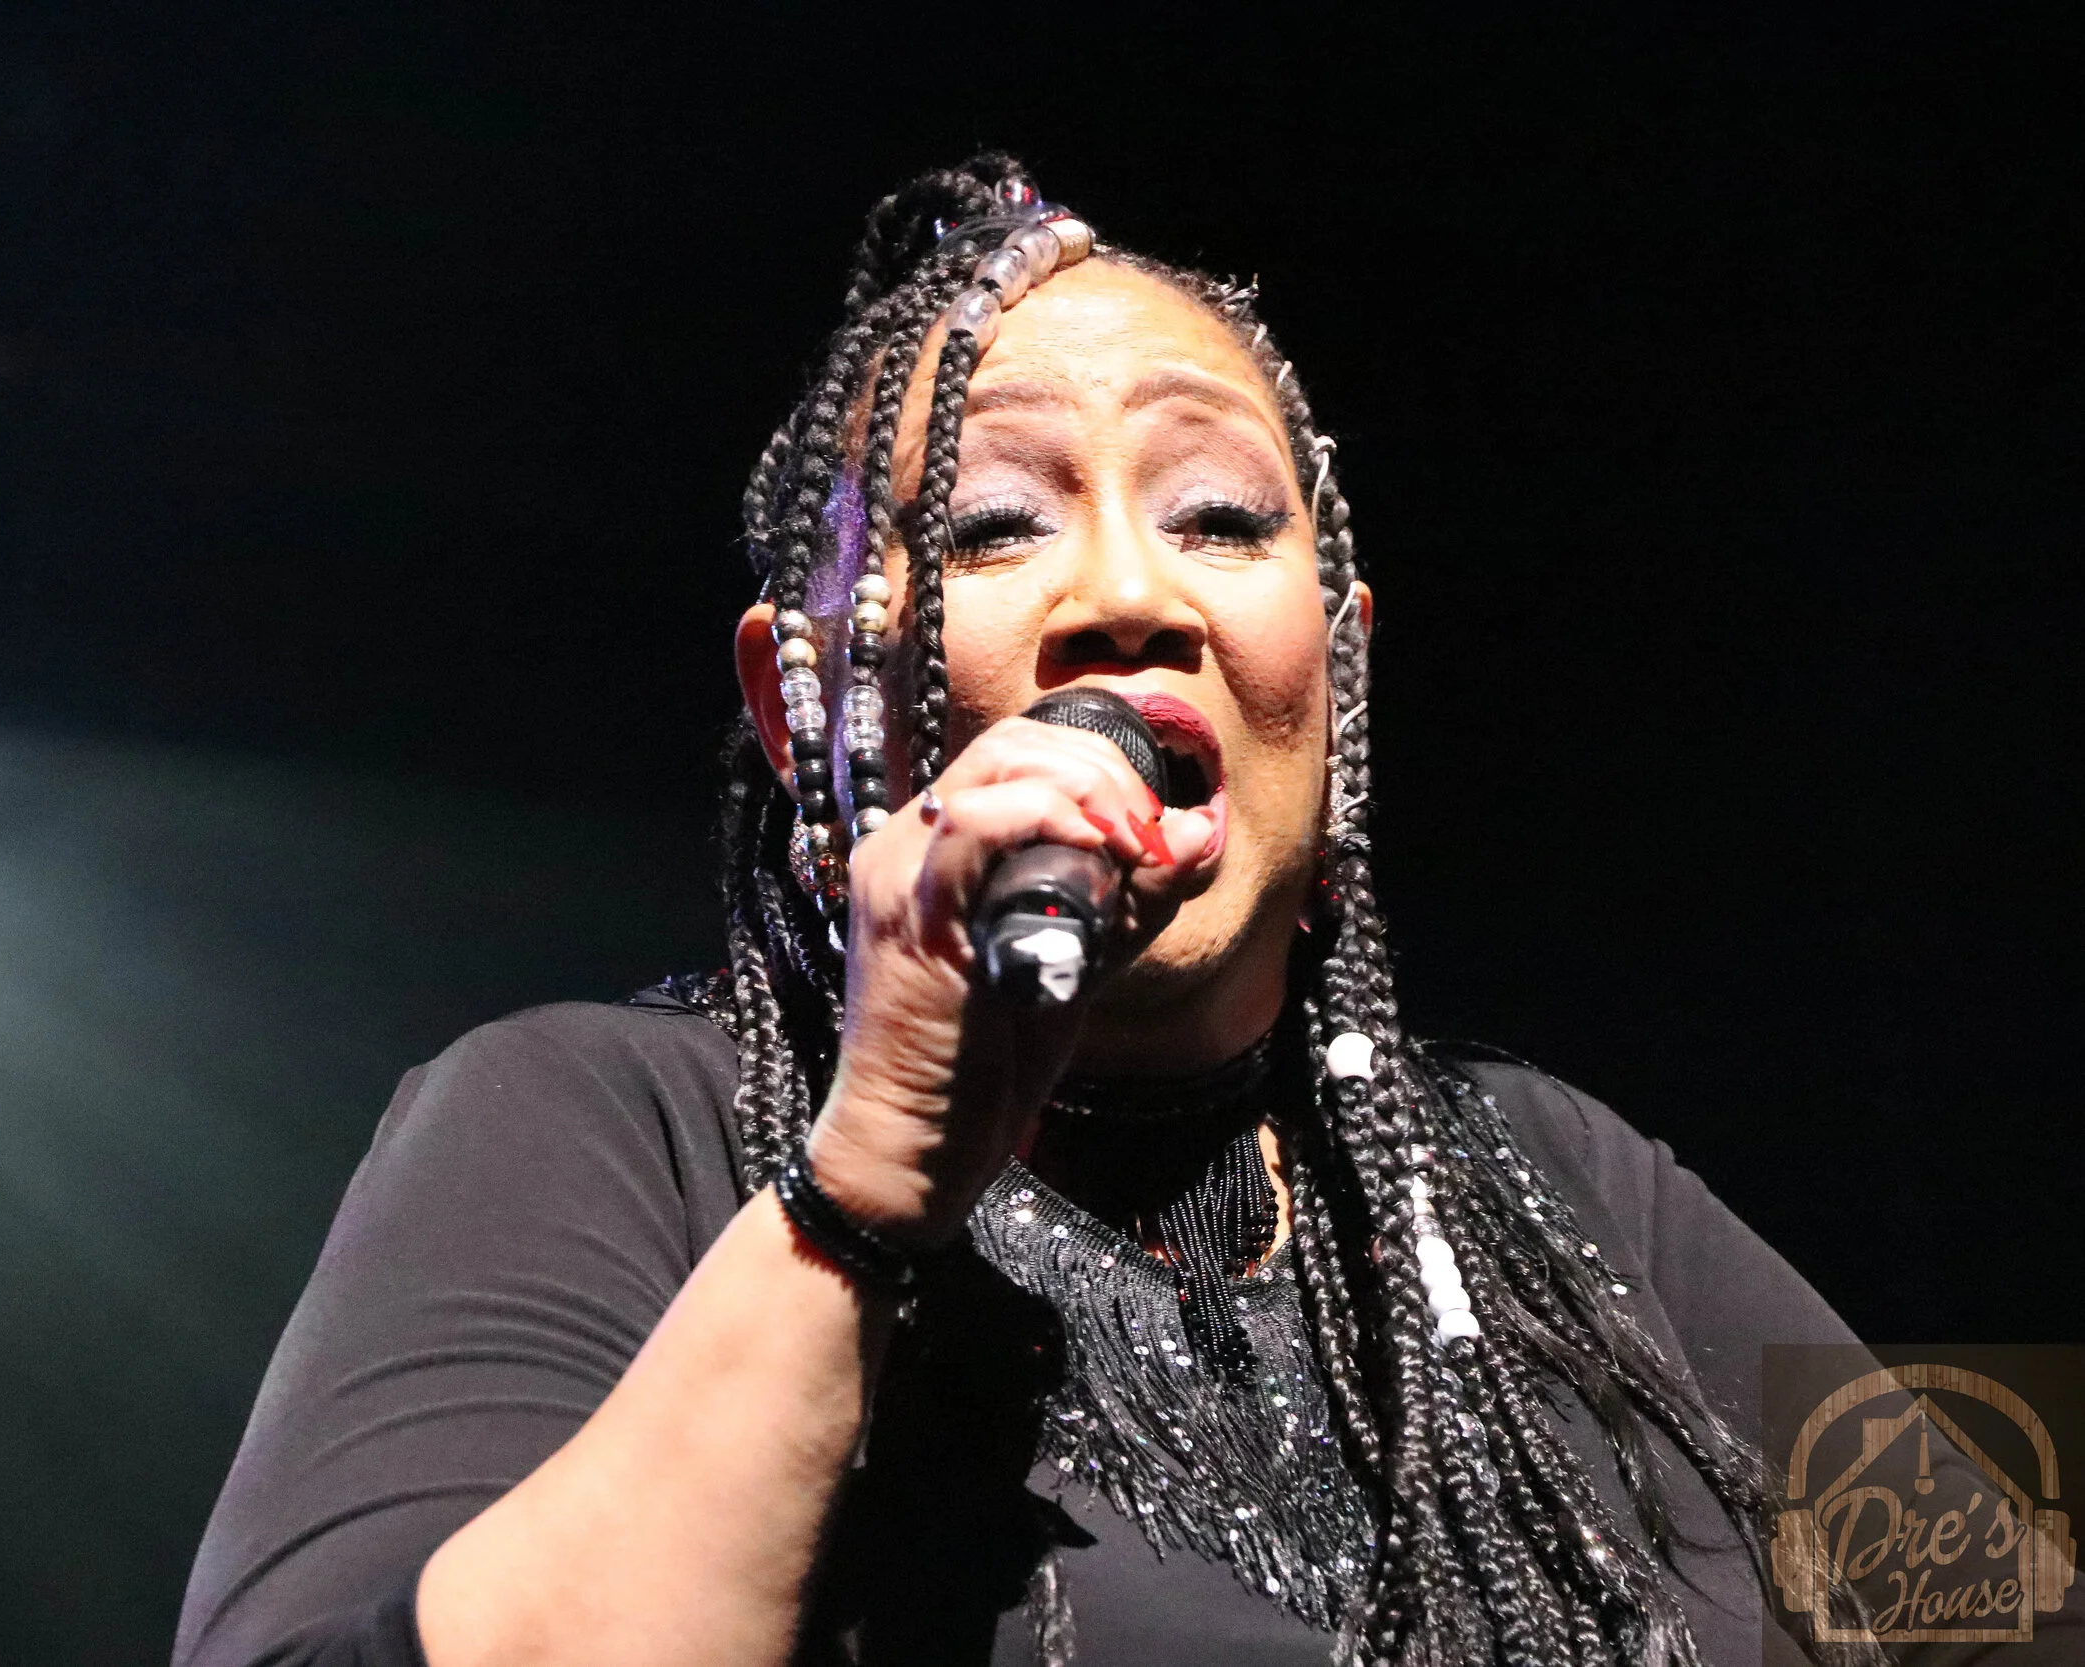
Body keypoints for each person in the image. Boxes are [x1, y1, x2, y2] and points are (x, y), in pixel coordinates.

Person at [172, 156, 1880, 1667]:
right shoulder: (597, 1122)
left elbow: (1997, 1603)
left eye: (1222, 518)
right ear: (803, 704)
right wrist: (861, 1193)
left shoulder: (1557, 1178)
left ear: (1339, 666)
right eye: (994, 526)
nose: (1130, 594)